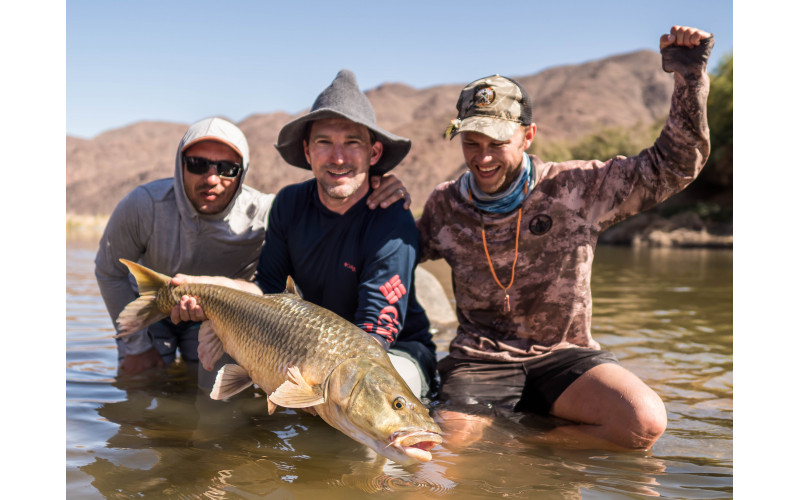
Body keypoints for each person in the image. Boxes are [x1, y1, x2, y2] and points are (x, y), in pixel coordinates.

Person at [416, 26, 713, 451]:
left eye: (497, 142)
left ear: (528, 135)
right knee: (448, 450)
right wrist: (376, 194)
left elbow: (674, 165)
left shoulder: (578, 187)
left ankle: (530, 449)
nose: (482, 157)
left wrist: (689, 75)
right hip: (480, 362)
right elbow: (394, 254)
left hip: (564, 356)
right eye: (471, 142)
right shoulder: (445, 203)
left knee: (642, 422)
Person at [171, 70, 437, 401]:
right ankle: (219, 452)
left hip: (392, 353)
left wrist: (315, 378)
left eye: (352, 142)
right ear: (308, 152)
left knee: (371, 402)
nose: (338, 158)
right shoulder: (289, 203)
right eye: (324, 142)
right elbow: (267, 291)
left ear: (374, 154)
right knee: (216, 361)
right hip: (307, 344)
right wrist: (211, 291)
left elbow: (374, 335)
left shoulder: (391, 219)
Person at [95, 116, 411, 380]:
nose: (212, 178)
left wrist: (379, 181)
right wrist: (136, 346)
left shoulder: (268, 212)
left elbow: (328, 213)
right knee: (137, 381)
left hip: (222, 317)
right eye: (197, 164)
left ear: (242, 172)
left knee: (206, 378)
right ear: (179, 165)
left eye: (228, 169)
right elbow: (108, 271)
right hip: (156, 311)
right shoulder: (142, 206)